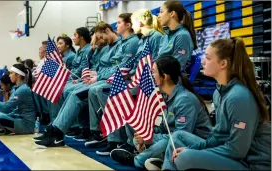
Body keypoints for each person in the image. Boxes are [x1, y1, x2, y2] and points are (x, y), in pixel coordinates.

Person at [162, 38, 271, 170]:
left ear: (223, 63)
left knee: (185, 158)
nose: (202, 62)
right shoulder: (218, 93)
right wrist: (190, 148)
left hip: (251, 165)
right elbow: (218, 138)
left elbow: (238, 150)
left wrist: (196, 154)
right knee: (178, 137)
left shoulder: (239, 96)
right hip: (236, 157)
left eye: (207, 58)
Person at [110, 56, 212, 169]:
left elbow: (180, 136)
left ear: (165, 76)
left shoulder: (184, 100)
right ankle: (156, 160)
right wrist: (146, 136)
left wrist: (150, 138)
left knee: (165, 142)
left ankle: (137, 160)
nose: (150, 75)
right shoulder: (165, 96)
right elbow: (165, 127)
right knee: (139, 138)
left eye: (153, 72)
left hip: (198, 145)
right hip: (172, 139)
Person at [34, 21, 126, 148]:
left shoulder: (121, 45)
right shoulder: (106, 47)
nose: (100, 40)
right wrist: (93, 72)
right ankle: (56, 128)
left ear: (107, 31)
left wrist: (96, 75)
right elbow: (98, 67)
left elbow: (118, 68)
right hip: (98, 78)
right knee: (70, 92)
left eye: (100, 37)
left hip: (108, 80)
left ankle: (61, 131)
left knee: (76, 94)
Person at [85, 13, 141, 155]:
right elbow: (114, 66)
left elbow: (123, 67)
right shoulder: (123, 42)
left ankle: (116, 139)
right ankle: (104, 133)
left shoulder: (132, 42)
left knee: (100, 90)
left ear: (128, 25)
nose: (117, 25)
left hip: (128, 79)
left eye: (119, 22)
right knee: (94, 90)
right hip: (117, 77)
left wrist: (100, 76)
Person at [0, 63, 36, 136]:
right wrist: (7, 115)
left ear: (18, 75)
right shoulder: (18, 88)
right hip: (19, 119)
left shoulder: (23, 90)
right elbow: (15, 111)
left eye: (11, 73)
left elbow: (6, 106)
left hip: (26, 125)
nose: (9, 75)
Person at [157, 0, 197, 72]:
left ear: (172, 13)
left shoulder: (182, 36)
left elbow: (177, 67)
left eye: (161, 12)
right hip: (161, 77)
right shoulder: (164, 37)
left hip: (173, 81)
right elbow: (158, 60)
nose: (158, 15)